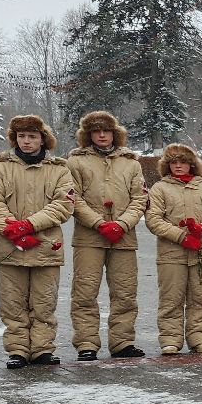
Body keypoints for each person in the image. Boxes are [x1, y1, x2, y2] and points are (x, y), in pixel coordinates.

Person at [0, 115, 76, 369]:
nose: (26, 142)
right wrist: (12, 228)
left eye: (32, 137)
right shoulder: (0, 168)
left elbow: (64, 204)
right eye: (22, 137)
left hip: (46, 246)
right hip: (10, 246)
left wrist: (31, 224)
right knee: (13, 303)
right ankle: (18, 350)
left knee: (44, 303)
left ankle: (43, 349)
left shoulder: (59, 169)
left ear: (43, 140)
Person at [67, 110, 147, 361]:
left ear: (115, 133)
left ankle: (122, 342)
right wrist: (99, 223)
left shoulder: (131, 163)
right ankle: (87, 343)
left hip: (123, 239)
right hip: (89, 238)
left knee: (125, 292)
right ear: (88, 135)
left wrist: (122, 224)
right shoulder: (76, 162)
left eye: (106, 130)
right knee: (84, 293)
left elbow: (140, 198)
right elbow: (73, 198)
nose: (102, 135)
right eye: (96, 131)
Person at [145, 145, 202, 355]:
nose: (178, 166)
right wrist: (181, 236)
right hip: (171, 254)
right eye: (173, 162)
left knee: (201, 297)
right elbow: (153, 220)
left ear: (192, 164)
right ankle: (170, 339)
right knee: (171, 298)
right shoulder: (160, 189)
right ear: (167, 165)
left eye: (182, 162)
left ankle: (200, 337)